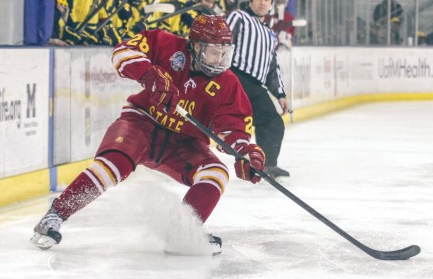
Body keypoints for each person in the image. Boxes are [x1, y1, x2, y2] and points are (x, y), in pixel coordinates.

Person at [30, 14, 266, 255]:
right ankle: (56, 214)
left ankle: (182, 232)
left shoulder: (228, 84)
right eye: (213, 51)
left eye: (224, 52)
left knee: (216, 172)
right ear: (195, 45)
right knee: (113, 165)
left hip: (185, 142)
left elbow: (234, 128)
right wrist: (150, 74)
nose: (219, 59)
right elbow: (123, 52)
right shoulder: (165, 43)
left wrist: (244, 152)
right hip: (141, 122)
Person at [227, 0, 290, 179]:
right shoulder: (239, 17)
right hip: (236, 78)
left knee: (273, 123)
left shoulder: (269, 34)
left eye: (267, 0)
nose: (263, 3)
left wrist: (280, 93)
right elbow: (223, 43)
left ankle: (267, 165)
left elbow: (272, 66)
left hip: (255, 86)